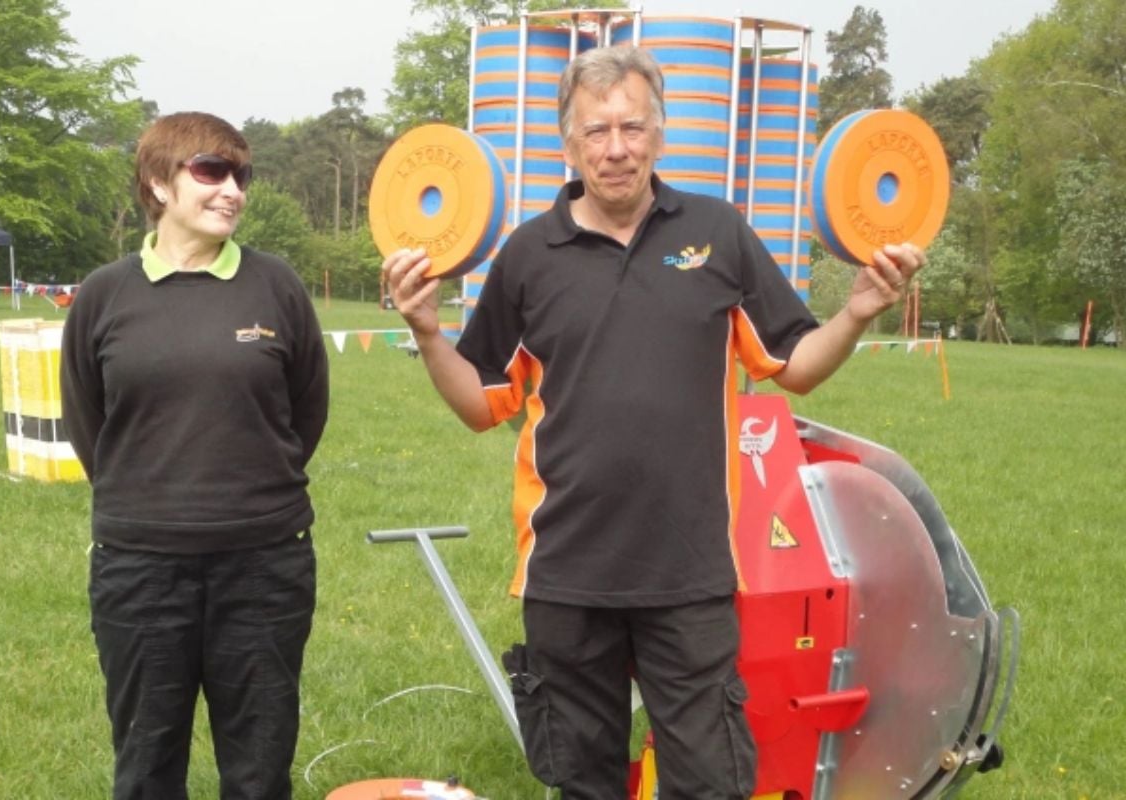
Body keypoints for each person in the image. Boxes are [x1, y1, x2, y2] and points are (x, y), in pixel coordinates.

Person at [381, 47, 925, 799]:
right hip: (567, 571)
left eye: (632, 127)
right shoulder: (528, 255)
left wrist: (859, 311)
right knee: (586, 784)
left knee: (710, 783)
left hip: (690, 570)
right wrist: (428, 332)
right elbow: (481, 402)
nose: (615, 149)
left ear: (659, 134)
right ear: (566, 144)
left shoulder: (718, 232)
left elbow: (794, 363)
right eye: (595, 131)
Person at [60, 111, 329, 800]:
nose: (232, 190)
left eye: (242, 175)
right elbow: (92, 425)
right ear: (158, 182)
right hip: (140, 571)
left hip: (265, 565)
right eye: (211, 172)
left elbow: (305, 413)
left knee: (260, 767)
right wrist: (154, 502)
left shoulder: (278, 287)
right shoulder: (103, 296)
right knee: (147, 766)